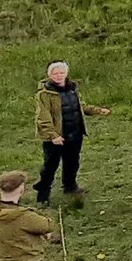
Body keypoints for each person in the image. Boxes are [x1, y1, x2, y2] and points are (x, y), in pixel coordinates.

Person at [33, 62, 110, 203]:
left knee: (72, 162)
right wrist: (53, 135)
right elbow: (43, 117)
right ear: (49, 75)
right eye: (55, 73)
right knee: (50, 166)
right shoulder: (44, 94)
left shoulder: (72, 89)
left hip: (75, 133)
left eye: (61, 73)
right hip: (56, 137)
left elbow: (80, 106)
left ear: (66, 74)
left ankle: (70, 187)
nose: (59, 76)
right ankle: (43, 195)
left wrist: (98, 111)